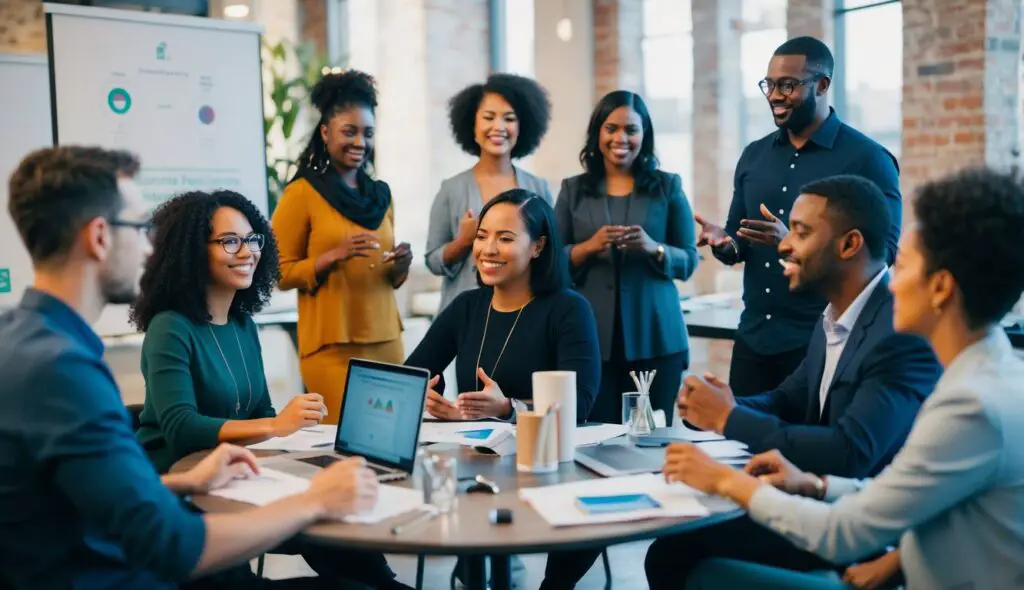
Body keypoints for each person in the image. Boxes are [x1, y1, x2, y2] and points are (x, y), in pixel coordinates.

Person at [0, 146, 382, 590]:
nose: (150, 246)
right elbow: (174, 546)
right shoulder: (64, 371)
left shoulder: (24, 337)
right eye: (141, 228)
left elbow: (81, 499)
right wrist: (314, 501)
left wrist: (183, 482)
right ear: (100, 237)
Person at [663, 167, 1024, 590]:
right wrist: (816, 485)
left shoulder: (970, 407)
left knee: (701, 571)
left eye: (902, 266)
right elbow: (911, 495)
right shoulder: (991, 372)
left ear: (941, 288)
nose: (890, 281)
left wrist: (726, 479)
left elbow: (842, 533)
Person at [130, 190, 410, 589]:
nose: (247, 251)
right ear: (192, 252)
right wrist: (278, 425)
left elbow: (259, 408)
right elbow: (181, 426)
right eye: (230, 241)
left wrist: (298, 430)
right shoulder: (170, 327)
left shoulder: (244, 324)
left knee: (340, 526)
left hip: (237, 477)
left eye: (253, 239)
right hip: (185, 492)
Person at [695, 36, 902, 397]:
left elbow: (884, 253)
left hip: (825, 342)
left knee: (806, 448)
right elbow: (738, 239)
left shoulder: (868, 159)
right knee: (741, 444)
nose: (774, 95)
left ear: (822, 85)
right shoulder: (754, 156)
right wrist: (725, 244)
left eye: (787, 85)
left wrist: (794, 244)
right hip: (754, 338)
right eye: (770, 85)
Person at [272, 70, 411, 424]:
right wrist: (331, 257)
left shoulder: (382, 195)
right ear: (325, 132)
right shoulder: (301, 193)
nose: (360, 142)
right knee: (346, 437)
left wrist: (400, 265)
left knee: (394, 436)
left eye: (368, 133)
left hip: (385, 340)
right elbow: (277, 271)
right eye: (349, 131)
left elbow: (388, 276)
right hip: (331, 347)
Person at [554, 90, 698, 424]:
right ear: (597, 133)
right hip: (590, 339)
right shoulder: (572, 190)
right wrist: (588, 247)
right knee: (593, 435)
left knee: (653, 437)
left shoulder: (668, 187)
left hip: (657, 338)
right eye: (611, 128)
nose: (621, 138)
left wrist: (654, 248)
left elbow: (689, 260)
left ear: (644, 135)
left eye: (631, 130)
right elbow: (549, 262)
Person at [406, 189, 600, 423]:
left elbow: (579, 403)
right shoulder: (466, 306)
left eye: (505, 238)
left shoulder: (570, 309)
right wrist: (424, 395)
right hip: (474, 451)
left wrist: (507, 408)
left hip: (543, 452)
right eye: (481, 236)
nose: (488, 249)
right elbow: (411, 377)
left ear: (538, 246)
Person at [426, 73, 553, 312]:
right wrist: (463, 242)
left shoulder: (538, 188)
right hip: (463, 316)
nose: (499, 127)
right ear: (472, 125)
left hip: (525, 313)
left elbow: (551, 253)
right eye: (488, 117)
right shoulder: (451, 189)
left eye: (509, 118)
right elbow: (432, 260)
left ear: (522, 127)